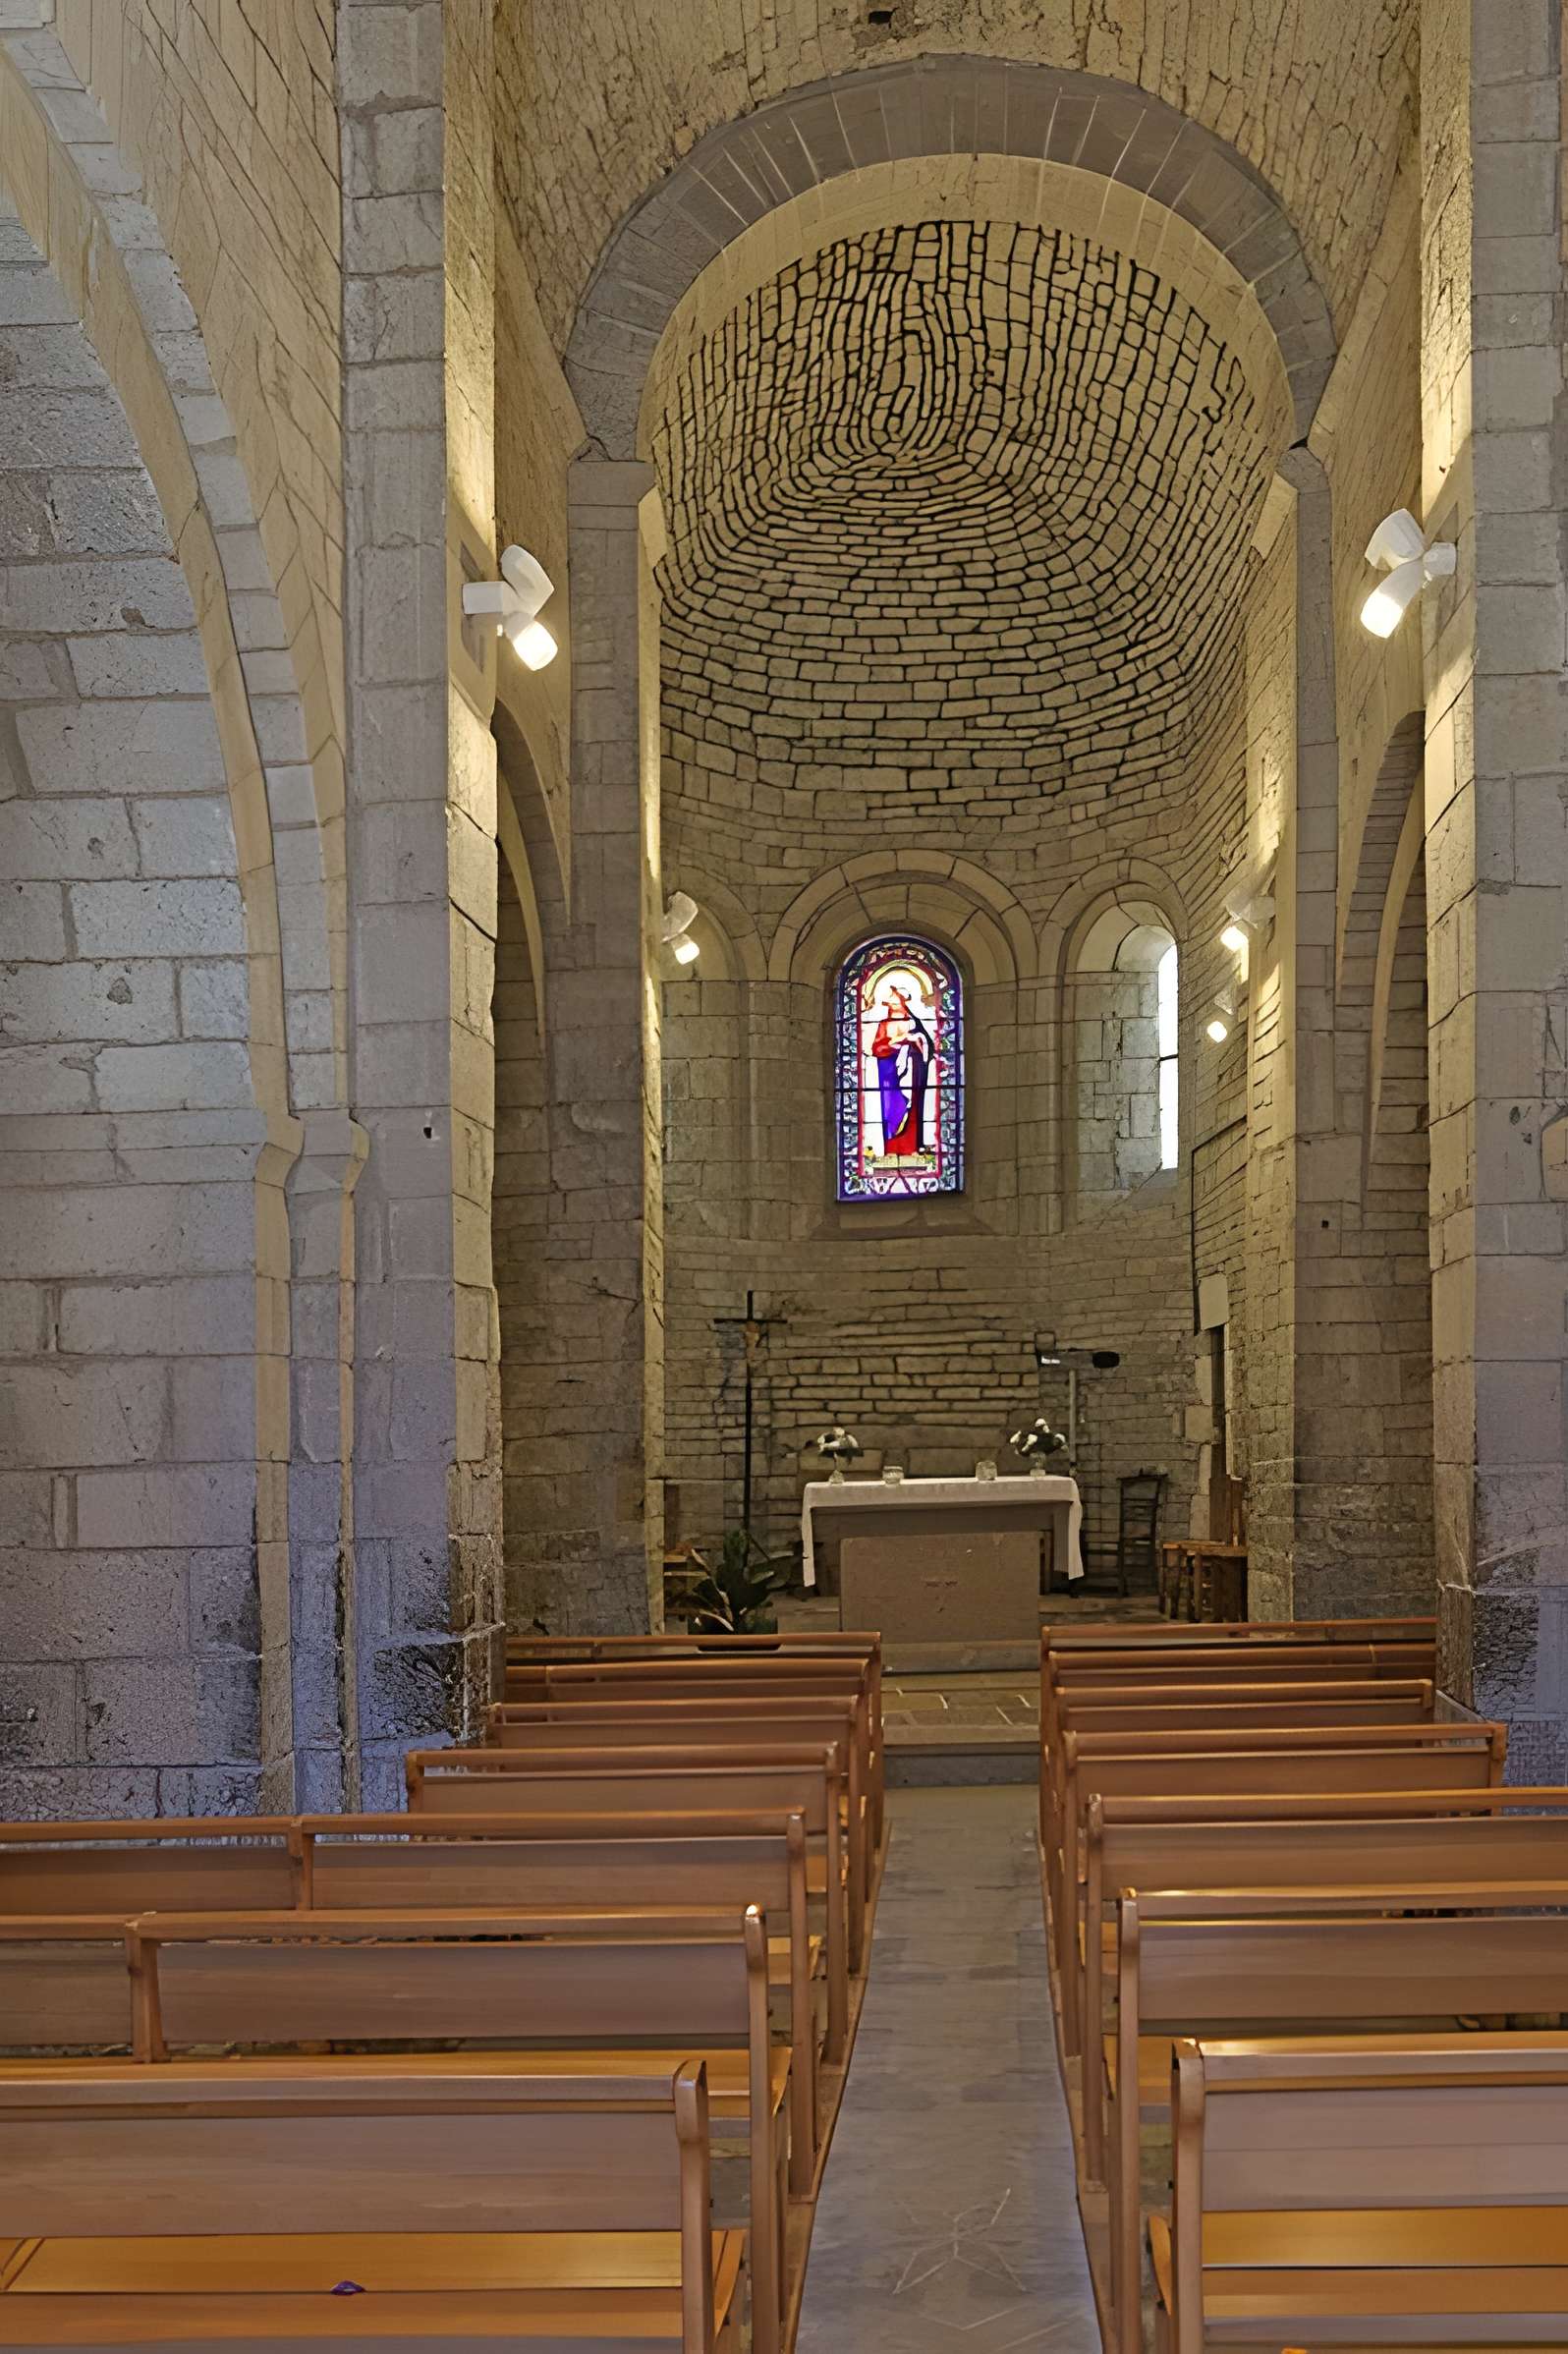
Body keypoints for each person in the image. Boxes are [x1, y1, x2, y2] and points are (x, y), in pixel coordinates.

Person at [869, 984, 932, 1157]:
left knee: (911, 1106)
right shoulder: (884, 1024)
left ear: (903, 1002)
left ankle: (910, 1148)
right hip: (889, 1071)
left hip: (911, 1069)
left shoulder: (913, 1023)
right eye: (890, 1000)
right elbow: (876, 1048)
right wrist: (895, 1041)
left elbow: (926, 1045)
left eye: (895, 999)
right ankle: (891, 1149)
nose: (892, 1002)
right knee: (891, 1108)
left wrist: (915, 1039)